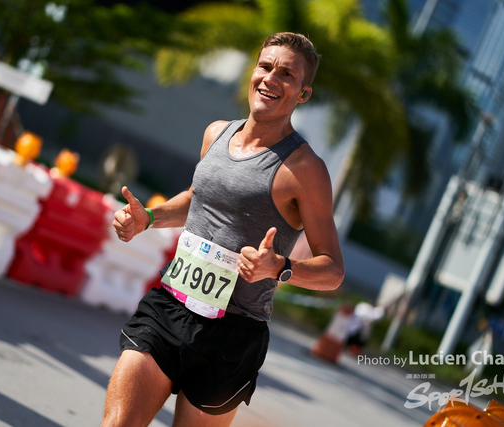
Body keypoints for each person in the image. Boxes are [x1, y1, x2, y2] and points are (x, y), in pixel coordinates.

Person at [101, 32, 345, 427]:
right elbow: (197, 198)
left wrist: (280, 266)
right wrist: (150, 217)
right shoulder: (216, 133)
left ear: (302, 94)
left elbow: (333, 270)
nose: (271, 78)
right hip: (169, 305)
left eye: (287, 74)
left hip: (234, 334)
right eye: (266, 66)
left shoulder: (305, 170)